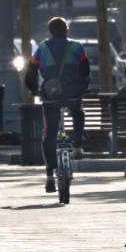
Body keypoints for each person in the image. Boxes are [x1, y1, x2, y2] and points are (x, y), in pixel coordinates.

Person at [25, 17, 90, 193]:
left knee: (49, 134)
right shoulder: (76, 46)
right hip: (73, 93)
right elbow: (86, 69)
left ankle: (49, 174)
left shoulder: (42, 47)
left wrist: (34, 89)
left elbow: (30, 72)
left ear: (50, 32)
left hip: (51, 95)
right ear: (67, 30)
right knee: (78, 112)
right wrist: (85, 85)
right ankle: (77, 146)